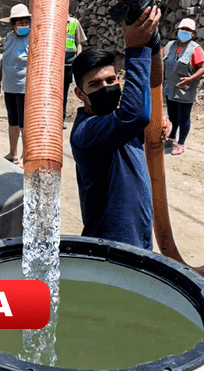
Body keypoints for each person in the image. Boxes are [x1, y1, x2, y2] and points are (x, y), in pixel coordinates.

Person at [70, 6, 169, 250]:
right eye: (95, 84)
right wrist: (135, 49)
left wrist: (160, 121)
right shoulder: (87, 132)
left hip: (137, 241)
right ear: (80, 94)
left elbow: (147, 96)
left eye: (111, 80)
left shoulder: (116, 121)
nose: (107, 87)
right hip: (110, 250)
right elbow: (134, 115)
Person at [0, 4, 31, 166]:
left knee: (24, 124)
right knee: (13, 121)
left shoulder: (33, 38)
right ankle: (13, 153)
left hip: (25, 88)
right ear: (13, 24)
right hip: (9, 87)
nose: (23, 25)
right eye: (19, 22)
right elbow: (4, 61)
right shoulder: (9, 37)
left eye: (25, 22)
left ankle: (26, 156)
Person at [163, 18, 204, 156]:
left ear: (193, 33)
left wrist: (190, 79)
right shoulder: (169, 46)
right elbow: (160, 60)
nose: (184, 32)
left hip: (186, 90)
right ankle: (171, 138)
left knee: (183, 117)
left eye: (188, 31)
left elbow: (202, 67)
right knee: (172, 115)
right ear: (178, 30)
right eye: (183, 29)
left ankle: (181, 144)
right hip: (170, 88)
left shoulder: (196, 49)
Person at [62, 15, 87, 128]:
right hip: (53, 64)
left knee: (64, 92)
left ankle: (60, 119)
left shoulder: (74, 22)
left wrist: (79, 59)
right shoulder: (52, 20)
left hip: (68, 63)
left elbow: (79, 42)